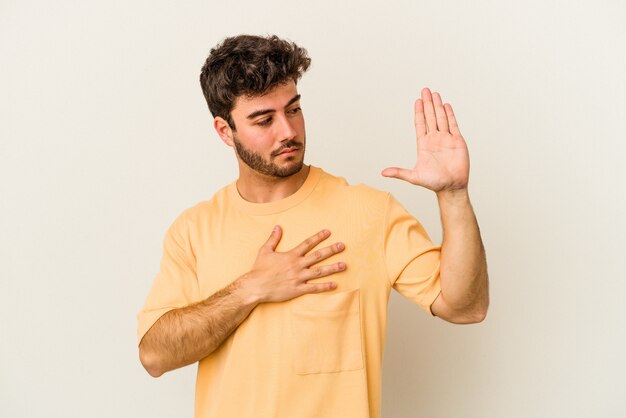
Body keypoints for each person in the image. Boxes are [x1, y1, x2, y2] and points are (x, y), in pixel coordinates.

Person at [137, 34, 489, 418]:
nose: (288, 131)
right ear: (225, 131)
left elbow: (466, 308)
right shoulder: (194, 230)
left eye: (293, 110)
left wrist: (454, 195)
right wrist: (251, 289)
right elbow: (154, 355)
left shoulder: (370, 212)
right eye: (264, 120)